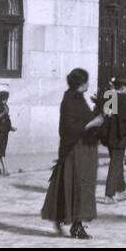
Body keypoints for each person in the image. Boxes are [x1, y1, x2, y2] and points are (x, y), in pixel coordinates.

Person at [41, 68, 104, 239]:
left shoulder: (78, 98)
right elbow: (68, 127)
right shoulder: (69, 100)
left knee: (82, 187)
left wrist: (98, 117)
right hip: (75, 151)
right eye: (86, 82)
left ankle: (75, 223)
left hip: (85, 150)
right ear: (80, 83)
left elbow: (84, 119)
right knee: (76, 186)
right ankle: (76, 226)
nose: (88, 84)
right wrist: (92, 124)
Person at [100, 78, 126, 202]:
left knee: (117, 162)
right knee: (115, 164)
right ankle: (109, 194)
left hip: (109, 136)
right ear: (123, 87)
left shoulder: (109, 97)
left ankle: (121, 190)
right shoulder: (124, 101)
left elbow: (106, 116)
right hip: (120, 137)